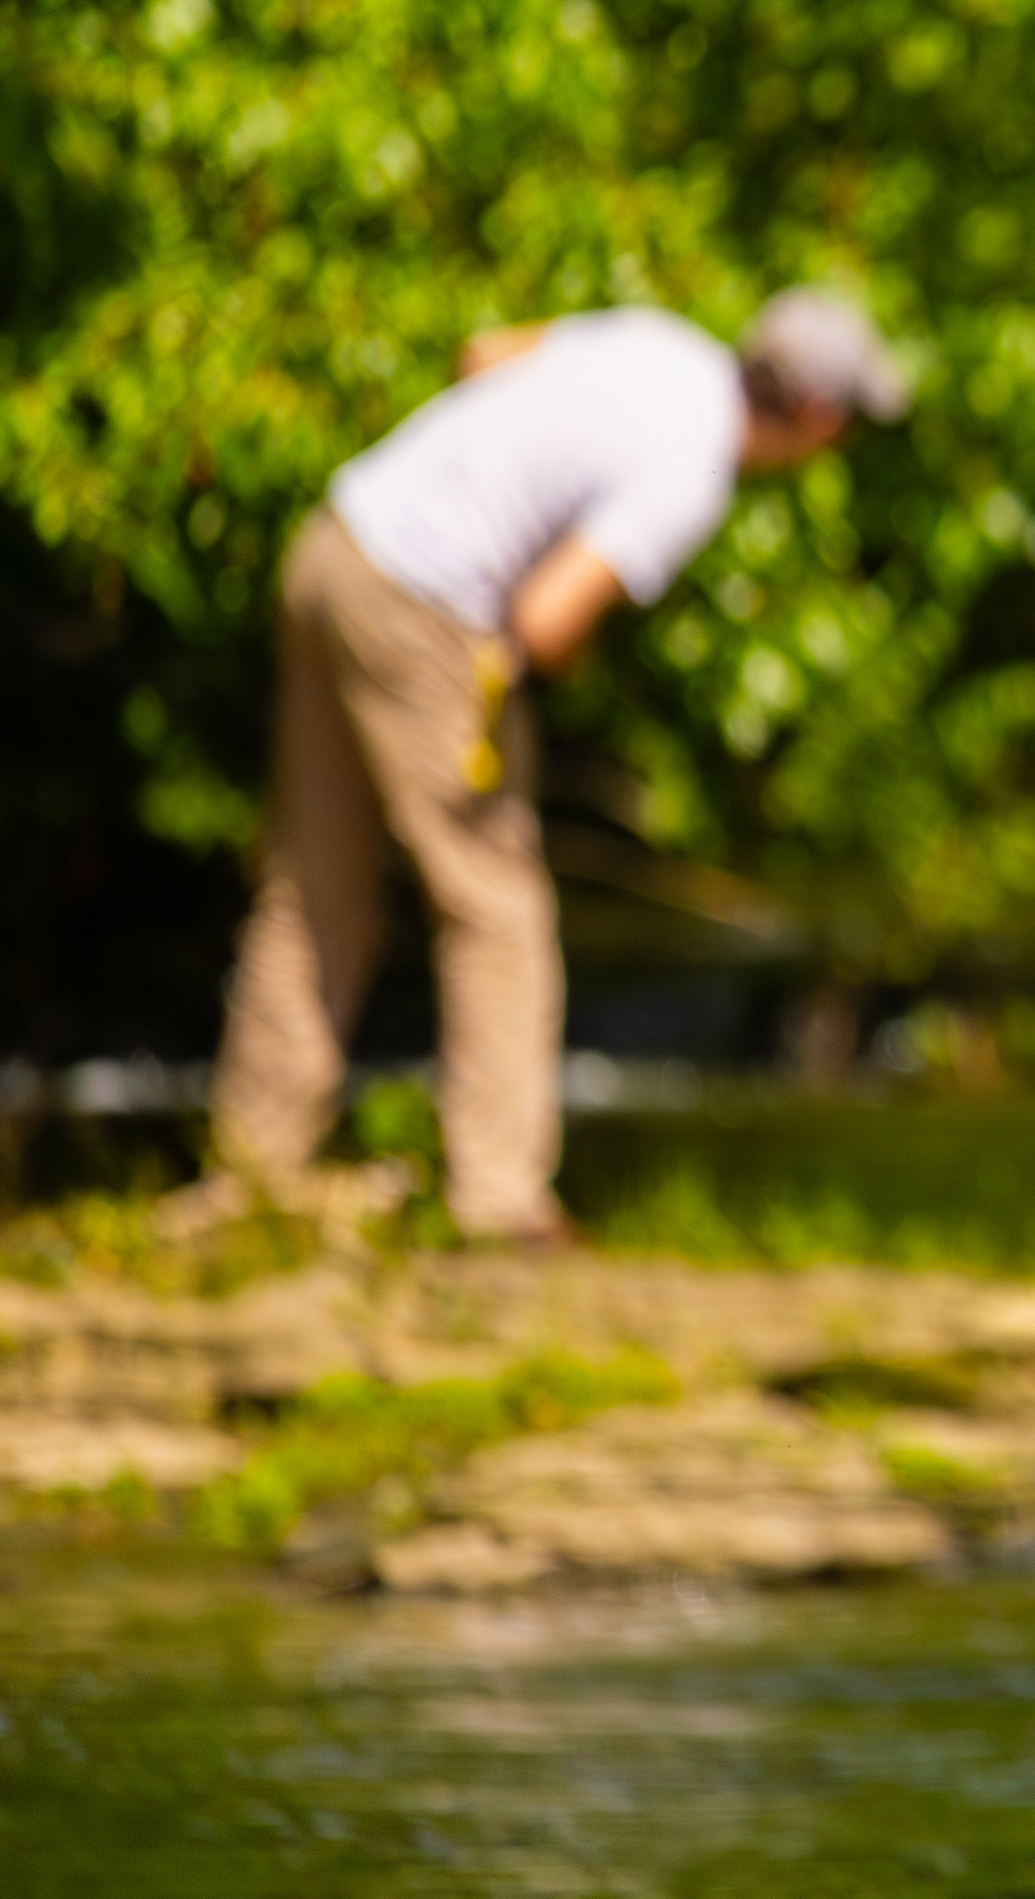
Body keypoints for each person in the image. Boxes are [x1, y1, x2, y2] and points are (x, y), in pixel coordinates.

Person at [206, 291, 909, 1244]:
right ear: (820, 416)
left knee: (313, 890)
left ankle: (247, 1182)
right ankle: (501, 1205)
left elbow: (482, 347)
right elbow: (544, 620)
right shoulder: (689, 470)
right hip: (425, 604)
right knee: (496, 909)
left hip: (339, 541)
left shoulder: (658, 343)